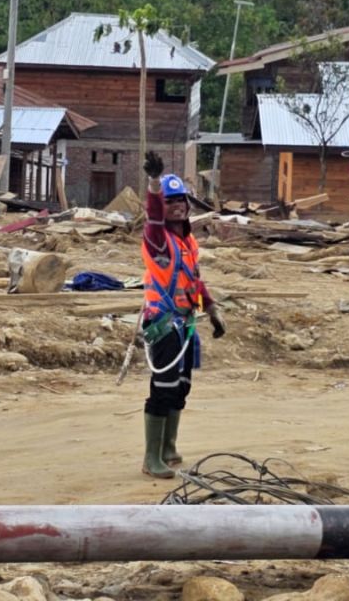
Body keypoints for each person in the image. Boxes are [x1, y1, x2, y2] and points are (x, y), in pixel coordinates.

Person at [139, 150, 226, 479]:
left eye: (182, 200)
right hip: (163, 324)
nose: (178, 205)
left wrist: (212, 309)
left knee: (181, 387)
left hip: (185, 323)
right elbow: (153, 217)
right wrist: (154, 184)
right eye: (171, 200)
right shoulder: (157, 239)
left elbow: (194, 284)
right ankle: (151, 458)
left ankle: (167, 448)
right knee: (162, 388)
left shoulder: (188, 243)